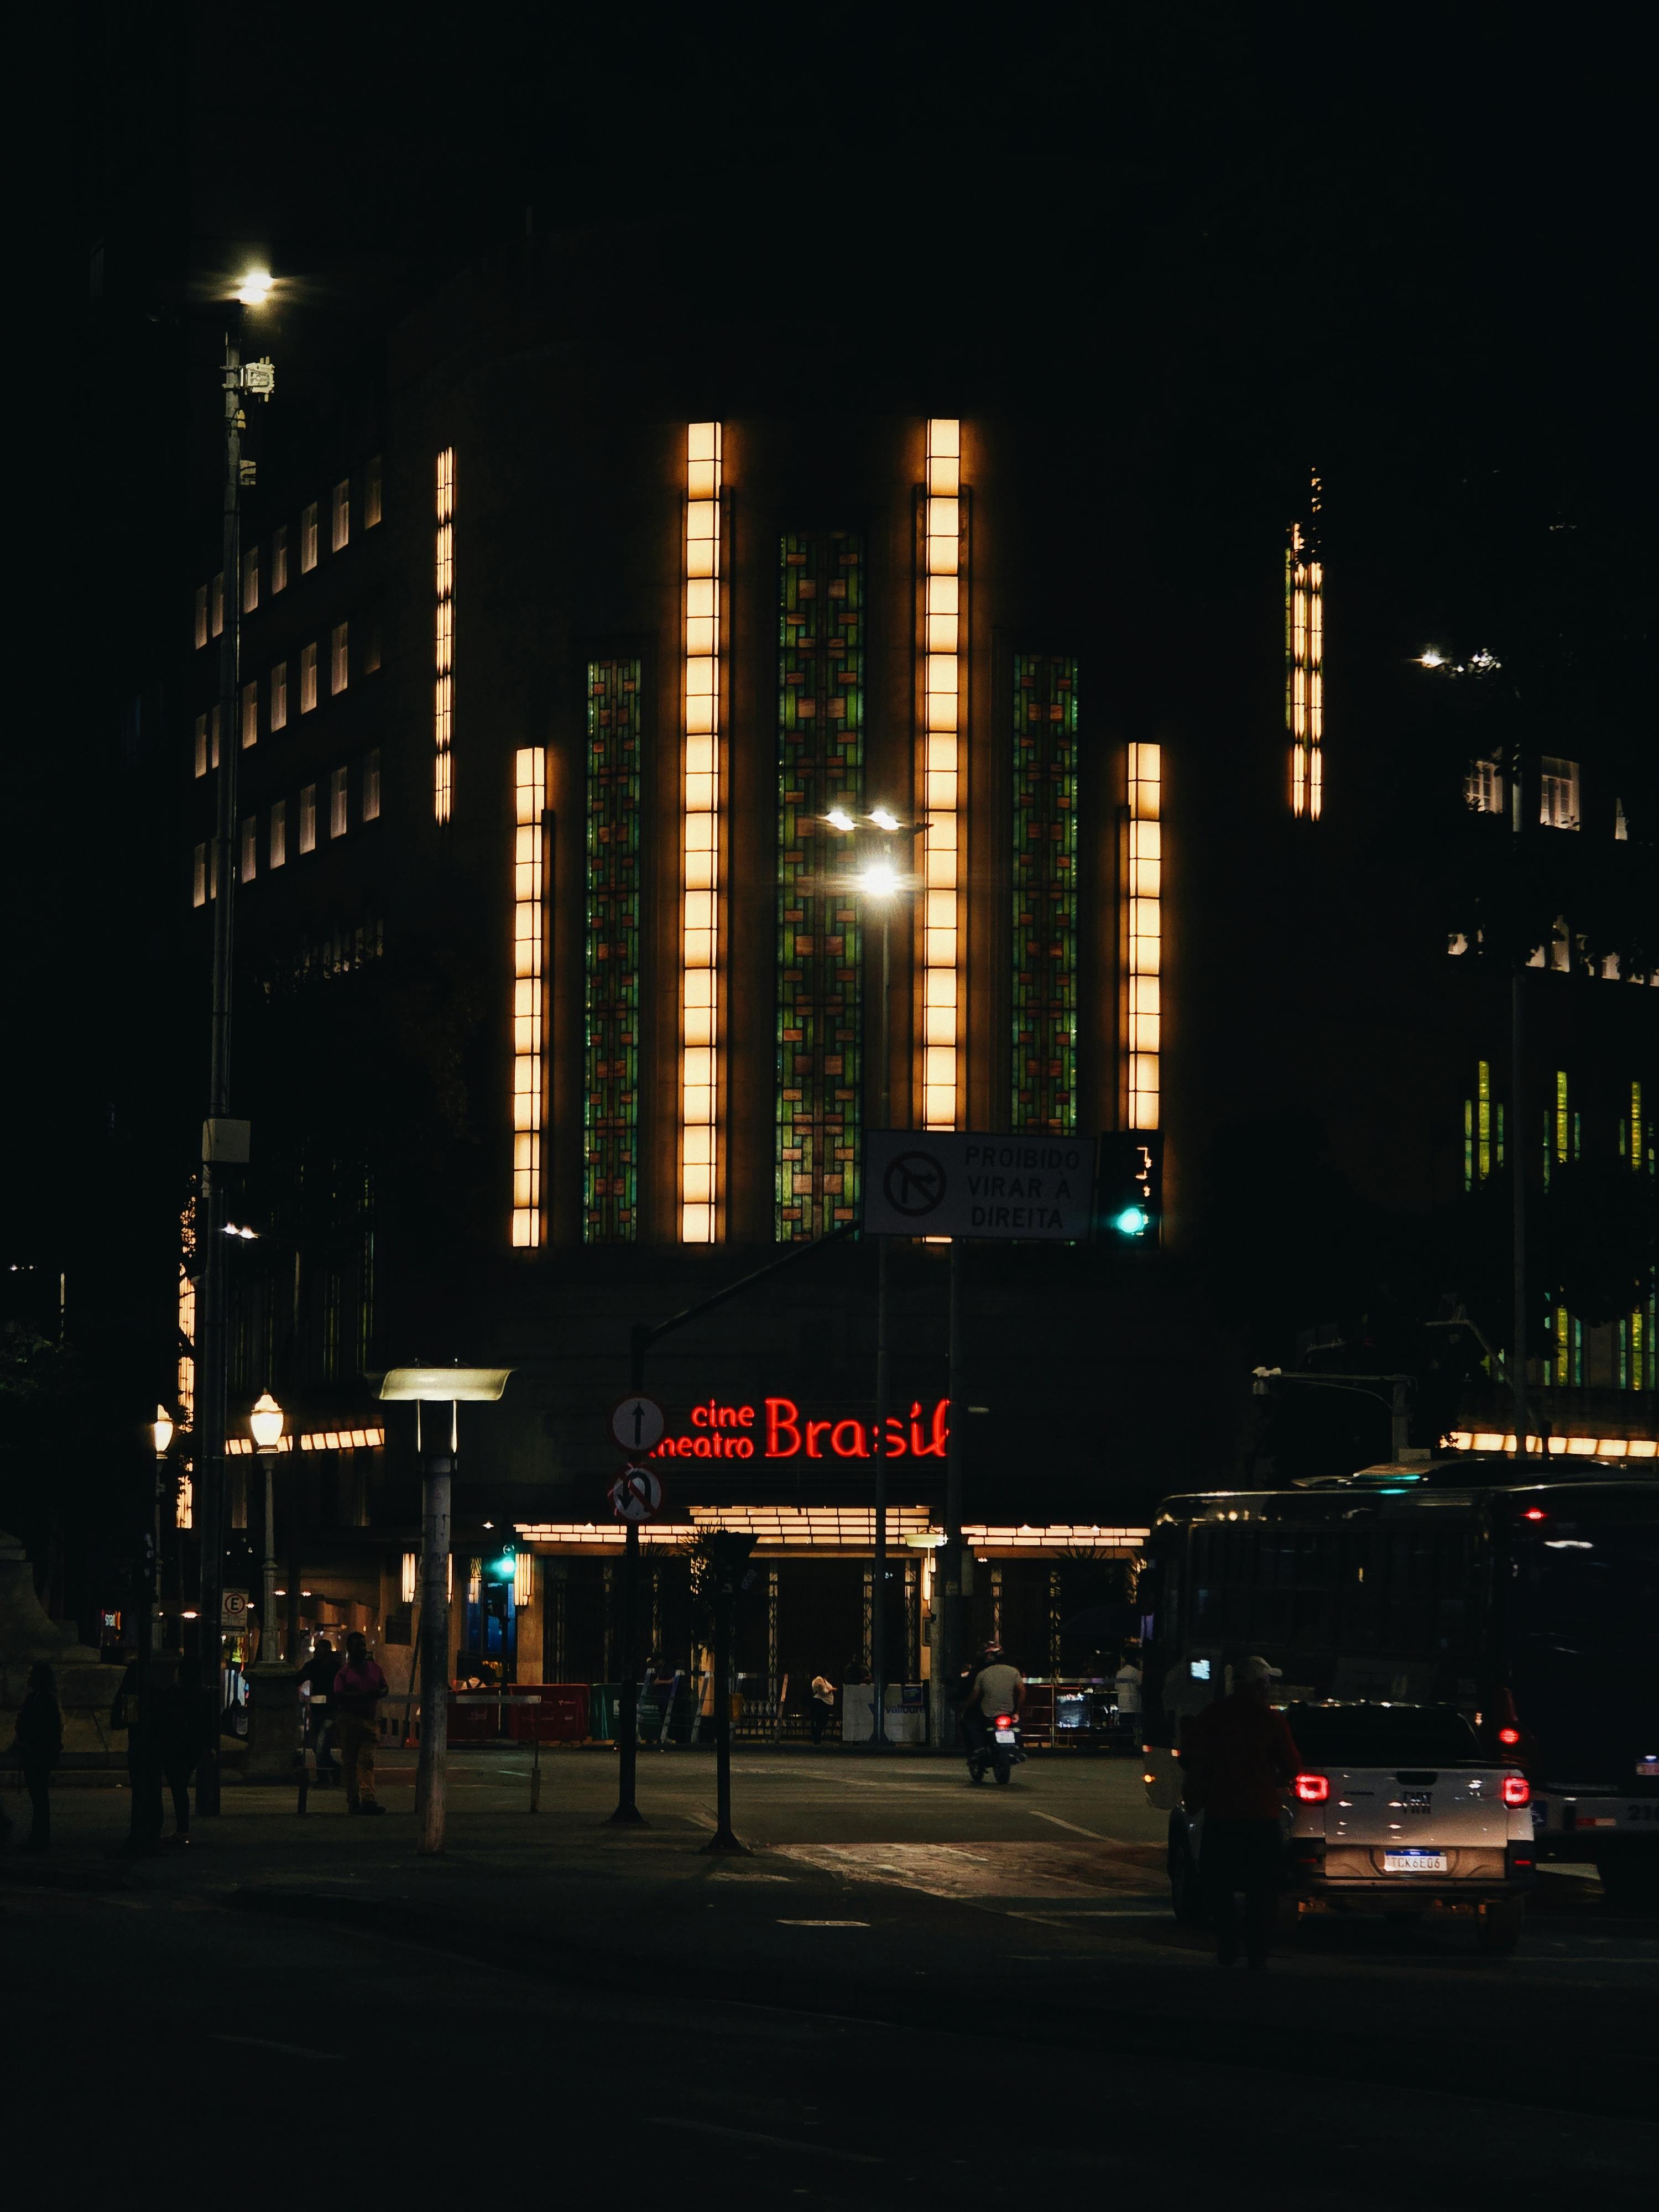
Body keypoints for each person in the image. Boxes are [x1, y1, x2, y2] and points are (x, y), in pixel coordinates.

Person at [1180, 1654, 1301, 1969]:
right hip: (1261, 1817)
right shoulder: (1271, 1720)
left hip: (1221, 1814)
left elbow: (1190, 1757)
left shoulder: (1213, 1715)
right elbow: (1292, 1767)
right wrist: (1271, 1779)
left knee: (1218, 1884)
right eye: (1268, 1682)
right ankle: (1257, 1951)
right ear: (1260, 1685)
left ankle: (1229, 1943)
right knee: (1263, 1890)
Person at [152, 1655, 212, 1846]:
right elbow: (208, 1724)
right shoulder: (204, 1695)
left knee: (177, 1786)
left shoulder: (173, 1693)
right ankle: (182, 1829)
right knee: (180, 1786)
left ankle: (181, 1829)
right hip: (193, 1746)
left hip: (175, 1745)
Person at [331, 1631, 388, 1815]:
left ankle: (369, 1800)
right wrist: (363, 1696)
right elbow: (339, 1696)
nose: (363, 1650)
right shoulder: (344, 1673)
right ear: (350, 1649)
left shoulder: (374, 1668)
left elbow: (384, 1686)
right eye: (359, 1646)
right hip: (349, 1720)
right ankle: (354, 1801)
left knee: (367, 1761)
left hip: (368, 1720)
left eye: (364, 1645)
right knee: (350, 1763)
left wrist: (380, 1693)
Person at [14, 1662, 64, 1851]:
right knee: (39, 1798)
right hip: (35, 1752)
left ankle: (40, 1839)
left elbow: (42, 1727)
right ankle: (39, 1837)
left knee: (39, 1798)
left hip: (37, 1753)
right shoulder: (40, 1698)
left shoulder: (43, 1700)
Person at [961, 1642, 1024, 1762]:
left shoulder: (982, 1674)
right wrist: (1016, 1710)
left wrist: (965, 1709)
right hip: (1009, 1712)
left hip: (988, 1713)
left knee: (970, 1722)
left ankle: (979, 1748)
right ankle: (1017, 1747)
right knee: (1017, 1725)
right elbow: (1022, 1692)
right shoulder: (1014, 1672)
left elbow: (974, 1695)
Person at [298, 1635, 339, 1783]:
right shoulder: (314, 1666)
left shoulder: (334, 1668)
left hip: (330, 1712)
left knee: (321, 1745)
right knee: (317, 1746)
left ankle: (324, 1777)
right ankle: (334, 1770)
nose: (316, 1652)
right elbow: (299, 1678)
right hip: (317, 1711)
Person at [1114, 1654, 1143, 1748]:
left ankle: (1126, 1745)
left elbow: (1117, 1688)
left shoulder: (1120, 1673)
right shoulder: (1135, 1672)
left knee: (1125, 1726)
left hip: (1122, 1703)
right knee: (1134, 1725)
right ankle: (1134, 1744)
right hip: (1133, 1704)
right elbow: (1141, 1685)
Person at [809, 1672, 836, 1746]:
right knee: (821, 1720)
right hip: (821, 1702)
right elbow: (823, 1692)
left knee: (821, 1721)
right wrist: (831, 1690)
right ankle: (817, 1738)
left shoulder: (824, 1680)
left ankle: (817, 1737)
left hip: (824, 1702)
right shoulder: (819, 1681)